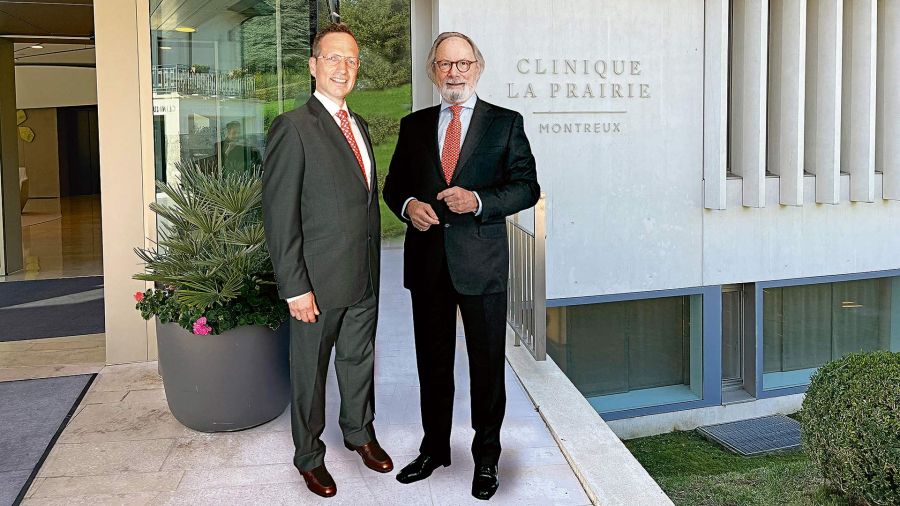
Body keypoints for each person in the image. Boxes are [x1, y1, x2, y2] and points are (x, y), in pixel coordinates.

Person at [383, 31, 539, 500]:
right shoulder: (414, 125)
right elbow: (393, 186)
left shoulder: (505, 123)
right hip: (428, 264)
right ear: (434, 70)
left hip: (482, 266)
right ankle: (434, 449)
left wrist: (478, 200)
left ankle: (486, 459)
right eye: (446, 64)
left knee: (486, 367)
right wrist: (409, 204)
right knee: (432, 365)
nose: (455, 72)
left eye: (463, 64)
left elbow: (526, 187)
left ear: (478, 67)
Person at [262, 23, 392, 499]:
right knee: (310, 373)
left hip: (364, 276)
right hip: (315, 282)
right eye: (333, 58)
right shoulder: (292, 127)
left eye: (352, 60)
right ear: (314, 65)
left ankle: (359, 433)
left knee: (359, 361)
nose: (343, 67)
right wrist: (294, 285)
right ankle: (309, 457)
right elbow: (279, 216)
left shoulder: (359, 126)